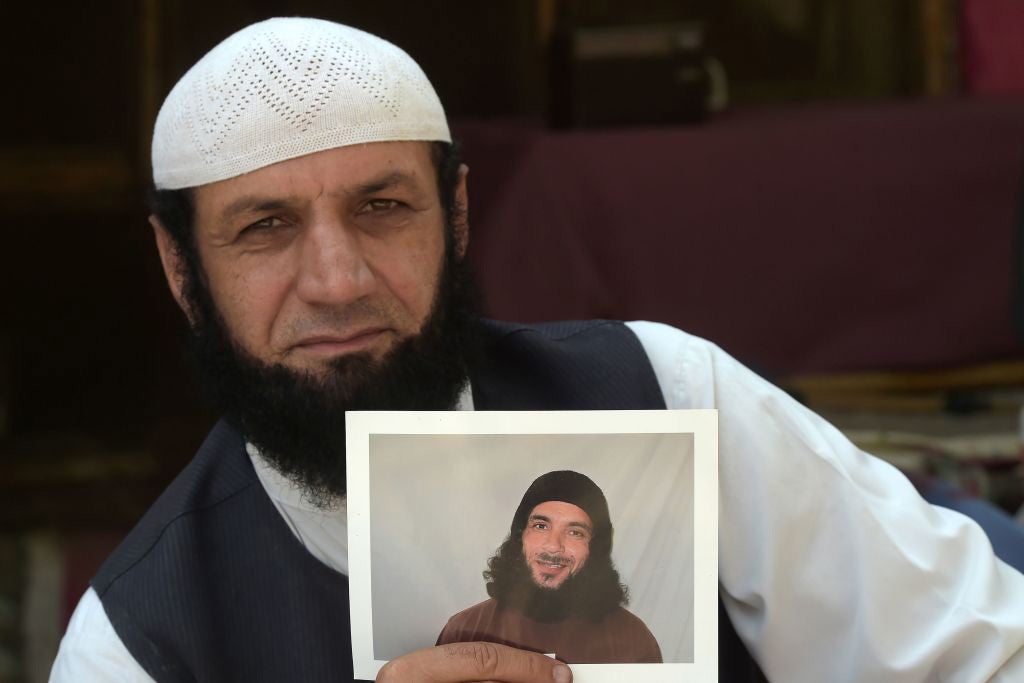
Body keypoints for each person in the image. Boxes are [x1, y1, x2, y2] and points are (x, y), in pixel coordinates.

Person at [49, 16, 1024, 683]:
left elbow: (982, 651)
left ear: (457, 213)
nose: (337, 279)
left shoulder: (662, 391)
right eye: (265, 227)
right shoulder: (143, 638)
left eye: (382, 207)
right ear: (181, 270)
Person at [436, 470, 662, 664]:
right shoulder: (465, 632)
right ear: (520, 536)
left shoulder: (634, 642)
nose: (553, 546)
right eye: (541, 526)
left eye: (575, 532)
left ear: (595, 548)